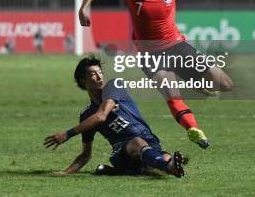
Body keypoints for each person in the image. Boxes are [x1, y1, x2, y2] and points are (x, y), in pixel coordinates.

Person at [78, 0, 234, 148]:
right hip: (149, 55)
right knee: (171, 92)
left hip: (178, 47)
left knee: (226, 84)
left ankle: (190, 79)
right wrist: (83, 8)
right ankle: (194, 130)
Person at [44, 56, 185, 178]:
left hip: (150, 140)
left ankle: (148, 168)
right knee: (138, 143)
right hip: (122, 152)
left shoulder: (114, 85)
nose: (100, 77)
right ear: (83, 81)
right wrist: (66, 172)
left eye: (100, 72)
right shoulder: (87, 116)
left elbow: (101, 116)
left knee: (166, 157)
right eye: (93, 74)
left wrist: (67, 134)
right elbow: (86, 154)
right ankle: (157, 167)